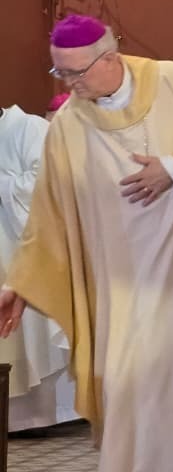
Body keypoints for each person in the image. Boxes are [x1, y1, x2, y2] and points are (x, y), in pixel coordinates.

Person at [0, 15, 173, 471]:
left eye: (75, 73)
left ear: (110, 59)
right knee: (128, 391)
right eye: (59, 72)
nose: (68, 83)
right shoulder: (67, 125)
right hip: (119, 288)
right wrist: (21, 284)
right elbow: (48, 212)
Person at [0, 103, 77, 432]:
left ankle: (40, 416)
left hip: (22, 246)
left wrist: (3, 185)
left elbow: (49, 185)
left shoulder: (30, 129)